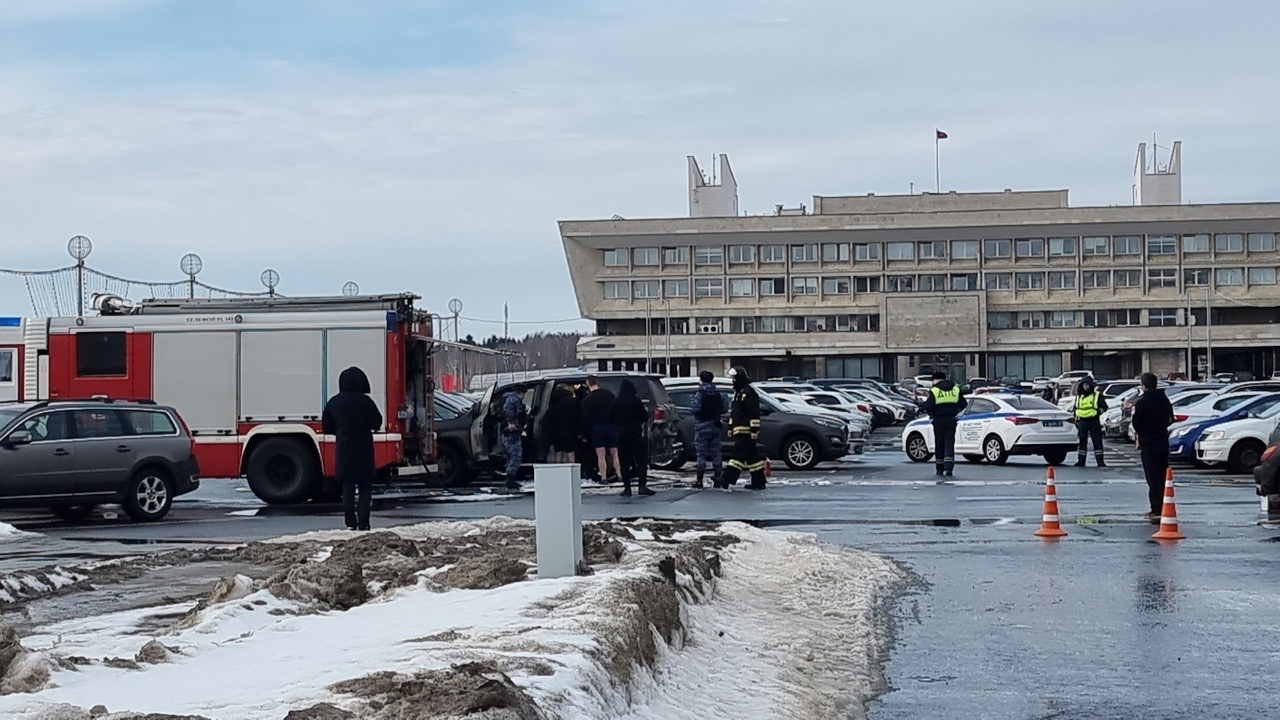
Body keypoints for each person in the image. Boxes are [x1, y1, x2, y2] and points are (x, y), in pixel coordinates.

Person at [321, 366, 383, 531]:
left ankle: (350, 522)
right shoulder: (365, 401)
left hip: (344, 449)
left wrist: (339, 431)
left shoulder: (334, 402)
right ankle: (364, 523)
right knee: (365, 488)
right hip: (363, 449)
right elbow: (377, 422)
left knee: (347, 488)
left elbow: (326, 426)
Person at [1132, 372, 1175, 519]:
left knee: (1152, 477)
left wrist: (1141, 434)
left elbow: (1137, 423)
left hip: (1149, 442)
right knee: (1162, 475)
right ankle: (1164, 504)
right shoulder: (1164, 400)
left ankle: (1156, 508)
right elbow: (1171, 419)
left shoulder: (1142, 403)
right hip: (1162, 440)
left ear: (1143, 386)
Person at [721, 366, 766, 490]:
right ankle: (759, 482)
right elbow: (735, 412)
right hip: (738, 429)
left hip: (746, 430)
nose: (733, 381)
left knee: (737, 456)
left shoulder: (749, 392)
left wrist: (754, 430)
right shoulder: (738, 393)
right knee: (752, 458)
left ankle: (726, 479)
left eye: (734, 379)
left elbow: (753, 412)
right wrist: (730, 427)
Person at [611, 379, 654, 497]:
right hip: (636, 434)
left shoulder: (616, 402)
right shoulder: (636, 401)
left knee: (624, 462)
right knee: (641, 461)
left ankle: (627, 488)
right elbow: (644, 417)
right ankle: (642, 486)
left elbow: (610, 418)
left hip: (621, 436)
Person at [921, 370, 966, 477]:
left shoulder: (935, 390)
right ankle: (949, 467)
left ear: (935, 380)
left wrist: (932, 413)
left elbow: (928, 406)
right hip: (951, 419)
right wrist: (955, 411)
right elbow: (964, 404)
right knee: (949, 443)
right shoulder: (956, 389)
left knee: (939, 444)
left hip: (938, 420)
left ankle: (939, 467)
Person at [580, 375, 621, 483]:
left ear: (588, 384)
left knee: (601, 455)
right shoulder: (609, 395)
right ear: (598, 383)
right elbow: (616, 411)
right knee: (614, 453)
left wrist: (585, 435)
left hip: (597, 428)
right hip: (611, 426)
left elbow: (584, 419)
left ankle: (603, 477)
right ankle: (619, 474)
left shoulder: (586, 400)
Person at [689, 370, 725, 489]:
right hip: (715, 425)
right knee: (716, 453)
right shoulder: (718, 394)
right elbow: (724, 408)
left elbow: (695, 409)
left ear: (701, 380)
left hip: (702, 425)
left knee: (701, 454)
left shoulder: (699, 394)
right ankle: (718, 478)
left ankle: (699, 480)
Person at [1072, 377, 1108, 467]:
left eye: (1087, 385)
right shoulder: (1079, 396)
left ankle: (1100, 462)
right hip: (1082, 421)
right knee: (1082, 442)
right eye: (1084, 385)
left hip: (1093, 420)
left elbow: (1104, 407)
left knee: (1097, 441)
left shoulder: (1096, 395)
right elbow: (1075, 408)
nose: (1086, 387)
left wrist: (1098, 412)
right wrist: (1076, 418)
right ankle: (1081, 461)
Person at [500, 386, 529, 492]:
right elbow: (510, 412)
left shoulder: (510, 399)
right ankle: (510, 479)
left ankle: (510, 478)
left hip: (511, 432)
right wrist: (511, 422)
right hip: (512, 433)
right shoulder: (513, 400)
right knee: (515, 455)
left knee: (511, 455)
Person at [543, 384, 579, 463]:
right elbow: (576, 416)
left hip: (556, 432)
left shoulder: (553, 402)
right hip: (569, 432)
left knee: (558, 453)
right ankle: (571, 471)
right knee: (570, 453)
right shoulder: (571, 401)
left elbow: (547, 419)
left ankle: (558, 471)